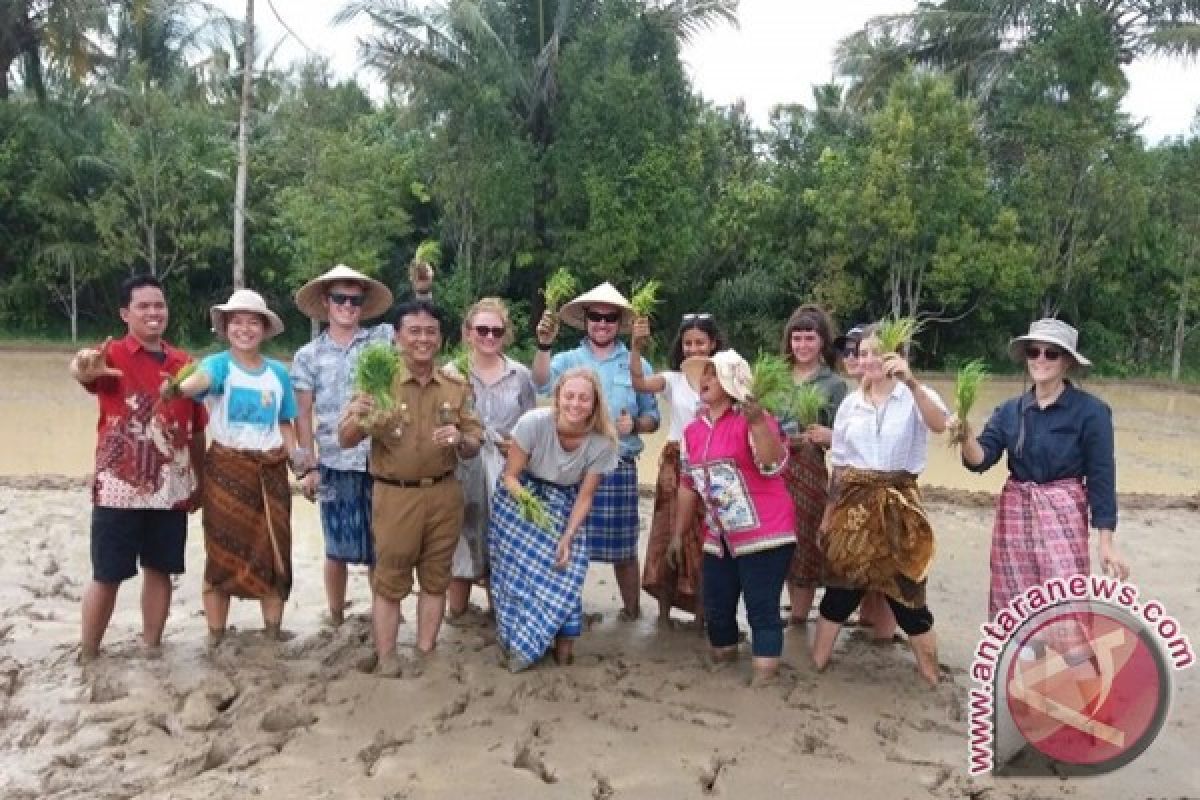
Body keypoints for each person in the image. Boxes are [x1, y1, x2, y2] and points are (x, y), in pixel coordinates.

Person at [338, 299, 483, 676]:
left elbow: (474, 442)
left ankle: (425, 651)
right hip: (394, 494)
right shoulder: (377, 380)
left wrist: (460, 438)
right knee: (390, 578)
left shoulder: (455, 385)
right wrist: (364, 417)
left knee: (437, 577)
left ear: (440, 337)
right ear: (398, 337)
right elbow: (345, 438)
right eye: (414, 331)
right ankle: (387, 657)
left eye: (431, 331)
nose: (423, 339)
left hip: (444, 493)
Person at [69, 274, 207, 661]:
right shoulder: (110, 355)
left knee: (161, 570)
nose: (153, 312)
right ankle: (88, 652)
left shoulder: (185, 366)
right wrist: (81, 368)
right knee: (107, 574)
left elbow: (197, 431)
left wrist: (200, 481)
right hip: (118, 488)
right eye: (143, 306)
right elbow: (82, 368)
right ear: (125, 313)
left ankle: (151, 649)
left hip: (170, 488)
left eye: (159, 305)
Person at [959, 319, 1129, 627]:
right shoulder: (1009, 411)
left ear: (1067, 362)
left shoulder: (1091, 412)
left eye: (1051, 354)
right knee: (1013, 602)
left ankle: (1069, 671)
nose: (1041, 359)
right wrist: (965, 435)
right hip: (1015, 515)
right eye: (1034, 352)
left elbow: (1102, 478)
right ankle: (1017, 669)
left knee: (1064, 603)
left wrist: (1106, 542)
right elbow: (980, 459)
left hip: (1062, 514)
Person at [812, 324, 950, 686]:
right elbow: (839, 466)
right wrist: (828, 516)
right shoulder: (850, 404)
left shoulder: (915, 397)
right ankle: (818, 663)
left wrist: (913, 383)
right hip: (853, 506)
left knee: (908, 595)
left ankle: (930, 674)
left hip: (899, 505)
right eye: (863, 353)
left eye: (878, 352)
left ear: (897, 355)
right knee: (841, 588)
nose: (869, 360)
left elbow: (941, 425)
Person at [166, 289, 300, 644]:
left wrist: (300, 461)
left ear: (264, 329)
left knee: (274, 553)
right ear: (226, 328)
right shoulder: (218, 365)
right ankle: (215, 635)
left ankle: (272, 632)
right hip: (226, 471)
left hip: (271, 473)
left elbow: (286, 423)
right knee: (222, 553)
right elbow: (199, 383)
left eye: (252, 322)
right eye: (236, 322)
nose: (245, 329)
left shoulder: (277, 374)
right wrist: (178, 387)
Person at [532, 282, 660, 620]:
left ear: (619, 323)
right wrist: (543, 344)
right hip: (573, 463)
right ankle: (569, 611)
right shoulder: (569, 360)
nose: (602, 324)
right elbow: (541, 382)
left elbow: (653, 418)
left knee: (624, 548)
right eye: (595, 317)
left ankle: (632, 612)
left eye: (609, 318)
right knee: (570, 540)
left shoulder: (637, 365)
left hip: (619, 464)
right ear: (586, 320)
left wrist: (635, 424)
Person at [675, 350, 796, 683]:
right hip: (719, 536)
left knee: (762, 607)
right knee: (716, 607)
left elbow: (773, 463)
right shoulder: (692, 432)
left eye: (713, 375)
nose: (705, 380)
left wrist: (757, 423)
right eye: (704, 374)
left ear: (731, 384)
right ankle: (724, 661)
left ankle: (764, 675)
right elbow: (687, 484)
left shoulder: (755, 420)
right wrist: (677, 534)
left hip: (766, 533)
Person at [489, 368, 620, 670]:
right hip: (521, 496)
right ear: (558, 398)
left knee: (567, 570)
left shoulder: (603, 442)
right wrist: (531, 508)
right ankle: (519, 645)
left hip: (566, 500)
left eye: (584, 399)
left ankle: (563, 651)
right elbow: (510, 476)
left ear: (595, 403)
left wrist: (567, 536)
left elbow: (585, 496)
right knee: (516, 577)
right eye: (569, 396)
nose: (576, 404)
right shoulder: (534, 423)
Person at [291, 265, 395, 627]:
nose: (348, 306)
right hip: (333, 463)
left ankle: (382, 617)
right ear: (326, 302)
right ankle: (335, 616)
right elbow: (304, 416)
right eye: (340, 298)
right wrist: (308, 468)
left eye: (355, 300)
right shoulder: (308, 356)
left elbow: (420, 335)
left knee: (379, 549)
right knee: (335, 548)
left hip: (379, 461)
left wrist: (423, 288)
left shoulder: (382, 340)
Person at [445, 298, 537, 619]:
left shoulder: (520, 375)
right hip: (461, 467)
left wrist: (518, 447)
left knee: (505, 543)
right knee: (461, 539)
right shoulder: (451, 374)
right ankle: (456, 614)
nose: (489, 336)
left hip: (506, 468)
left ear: (505, 334)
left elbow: (532, 426)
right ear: (468, 333)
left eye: (496, 331)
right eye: (482, 329)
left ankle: (501, 614)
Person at [631, 312, 725, 626]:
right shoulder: (672, 380)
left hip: (712, 463)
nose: (694, 348)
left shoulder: (725, 379)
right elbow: (639, 383)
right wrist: (636, 347)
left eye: (700, 342)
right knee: (667, 531)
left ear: (713, 344)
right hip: (676, 461)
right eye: (688, 343)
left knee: (704, 536)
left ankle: (701, 613)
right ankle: (664, 611)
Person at [777, 304, 848, 627]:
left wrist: (827, 436)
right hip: (772, 467)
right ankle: (782, 607)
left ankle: (800, 618)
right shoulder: (774, 376)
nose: (802, 345)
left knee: (804, 542)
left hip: (809, 469)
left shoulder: (833, 384)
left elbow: (847, 438)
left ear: (822, 342)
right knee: (775, 539)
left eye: (810, 338)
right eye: (797, 338)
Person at [832, 322, 897, 641]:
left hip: (888, 492)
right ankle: (866, 618)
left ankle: (880, 626)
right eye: (850, 351)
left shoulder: (896, 396)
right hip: (852, 491)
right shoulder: (850, 398)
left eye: (861, 351)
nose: (853, 357)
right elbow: (842, 456)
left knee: (883, 565)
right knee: (857, 560)